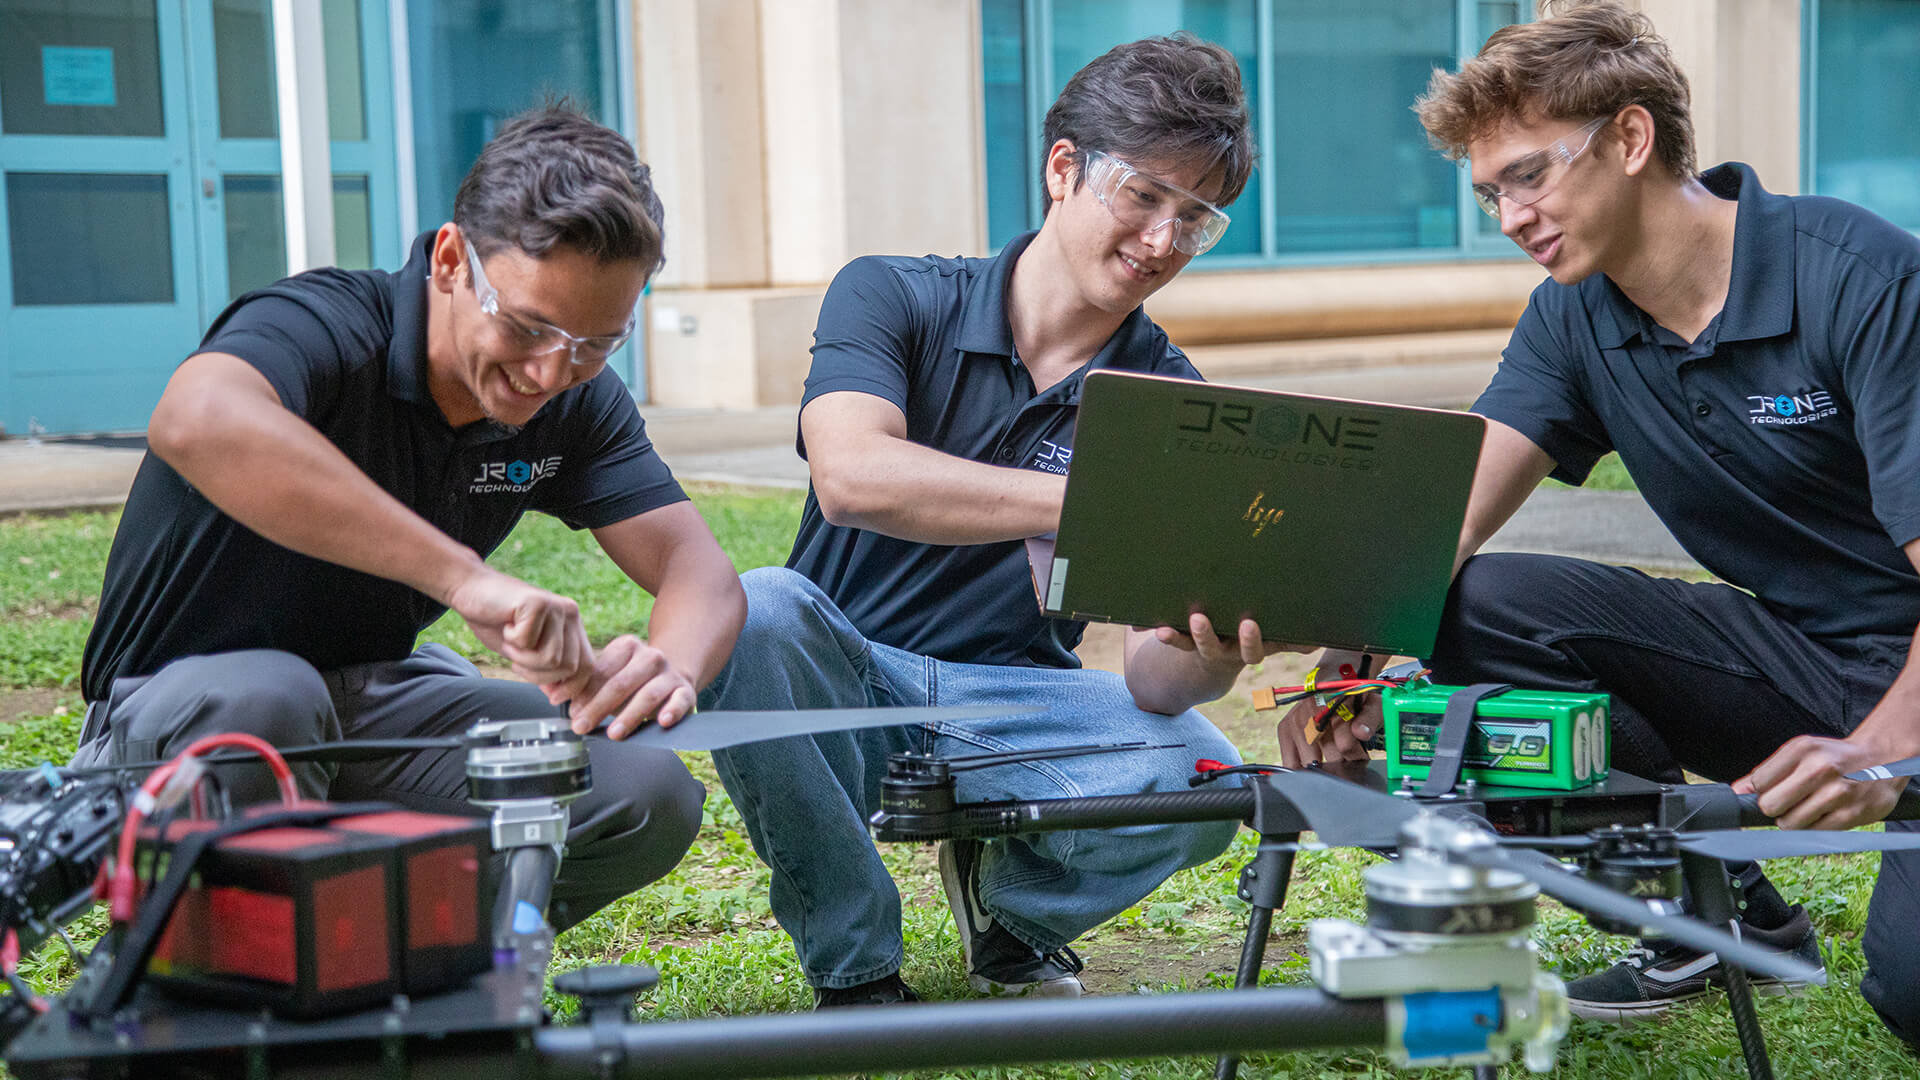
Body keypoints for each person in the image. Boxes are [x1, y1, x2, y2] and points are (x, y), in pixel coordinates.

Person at [1276, 0, 1920, 1045]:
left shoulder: (1861, 279)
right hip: (1806, 661)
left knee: (1913, 991)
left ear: (1631, 138)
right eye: (1491, 192)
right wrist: (1343, 671)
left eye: (1530, 174)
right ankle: (1699, 916)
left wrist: (1885, 753)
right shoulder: (1575, 316)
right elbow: (1448, 516)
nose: (1511, 215)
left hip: (1913, 679)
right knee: (1477, 605)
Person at [697, 35, 1278, 1007]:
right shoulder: (893, 295)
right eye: (1144, 197)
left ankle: (1013, 920)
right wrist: (1094, 503)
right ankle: (856, 967)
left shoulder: (1166, 396)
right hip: (849, 687)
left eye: (1197, 217)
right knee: (756, 608)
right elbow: (851, 472)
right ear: (1064, 169)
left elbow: (1152, 673)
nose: (1164, 241)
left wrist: (1213, 647)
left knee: (1209, 766)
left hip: (1017, 701)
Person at [71, 105, 747, 931]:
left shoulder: (574, 399)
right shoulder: (326, 326)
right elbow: (195, 418)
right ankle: (228, 989)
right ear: (453, 259)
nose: (550, 371)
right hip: (178, 720)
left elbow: (700, 573)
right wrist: (467, 581)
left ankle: (414, 974)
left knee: (644, 790)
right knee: (272, 698)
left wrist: (670, 667)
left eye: (596, 343)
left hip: (369, 709)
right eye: (529, 325)